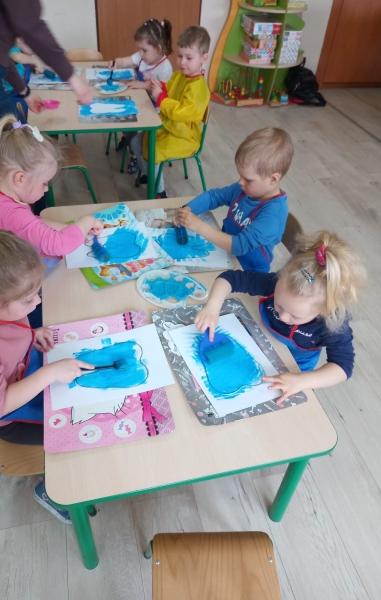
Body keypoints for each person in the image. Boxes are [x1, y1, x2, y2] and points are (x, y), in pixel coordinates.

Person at [0, 219, 96, 521]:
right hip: (9, 417)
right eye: (29, 299)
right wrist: (50, 373)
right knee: (82, 428)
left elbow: (6, 330)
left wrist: (32, 333)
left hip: (22, 370)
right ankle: (50, 490)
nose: (38, 301)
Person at [194, 231, 366, 404]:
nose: (283, 316)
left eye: (295, 315)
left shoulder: (333, 324)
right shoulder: (276, 283)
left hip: (293, 371)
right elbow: (230, 278)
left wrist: (301, 381)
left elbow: (343, 367)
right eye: (279, 304)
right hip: (257, 342)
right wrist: (213, 306)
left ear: (323, 311)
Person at [0, 0, 93, 156]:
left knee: (23, 153)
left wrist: (25, 92)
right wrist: (74, 79)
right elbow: (29, 24)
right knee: (28, 155)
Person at [0, 114, 103, 276]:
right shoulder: (13, 215)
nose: (46, 189)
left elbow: (31, 223)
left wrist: (68, 228)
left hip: (6, 260)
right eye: (44, 183)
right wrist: (87, 221)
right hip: (16, 277)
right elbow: (60, 244)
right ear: (20, 178)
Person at [173, 128, 293, 272]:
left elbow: (240, 245)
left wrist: (198, 226)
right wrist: (188, 209)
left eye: (248, 179)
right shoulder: (244, 189)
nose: (240, 182)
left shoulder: (273, 214)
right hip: (224, 254)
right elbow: (213, 196)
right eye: (240, 175)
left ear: (273, 179)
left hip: (248, 272)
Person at [130, 26, 211, 198]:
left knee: (153, 150)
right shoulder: (180, 75)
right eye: (180, 56)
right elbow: (169, 87)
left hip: (186, 136)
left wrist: (161, 97)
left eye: (189, 58)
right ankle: (150, 175)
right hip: (169, 126)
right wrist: (156, 84)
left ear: (203, 58)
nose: (182, 62)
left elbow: (182, 112)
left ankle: (160, 192)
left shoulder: (198, 87)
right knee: (136, 142)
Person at [109, 18, 173, 174]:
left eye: (144, 50)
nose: (141, 54)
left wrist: (143, 85)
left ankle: (137, 155)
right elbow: (125, 61)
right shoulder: (142, 56)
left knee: (131, 124)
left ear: (158, 49)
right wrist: (116, 62)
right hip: (142, 100)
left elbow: (163, 92)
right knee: (123, 116)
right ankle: (133, 147)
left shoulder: (165, 68)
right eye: (140, 50)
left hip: (156, 110)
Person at [4, 38, 46, 116]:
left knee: (25, 113)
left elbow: (22, 65)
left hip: (21, 92)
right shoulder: (12, 49)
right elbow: (17, 58)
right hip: (10, 95)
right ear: (19, 39)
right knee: (17, 116)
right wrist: (34, 60)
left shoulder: (24, 53)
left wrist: (36, 67)